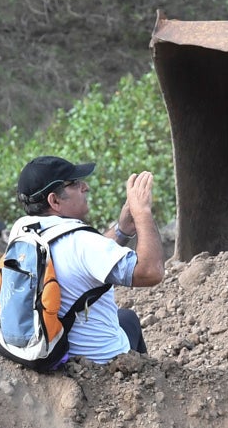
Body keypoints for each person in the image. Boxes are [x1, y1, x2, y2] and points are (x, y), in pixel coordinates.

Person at [14, 155, 165, 362]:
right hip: (100, 361)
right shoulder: (82, 242)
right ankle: (140, 382)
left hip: (49, 351)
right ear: (54, 200)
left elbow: (84, 257)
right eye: (74, 183)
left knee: (126, 318)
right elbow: (151, 272)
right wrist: (142, 213)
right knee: (129, 320)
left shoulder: (22, 233)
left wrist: (122, 231)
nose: (85, 187)